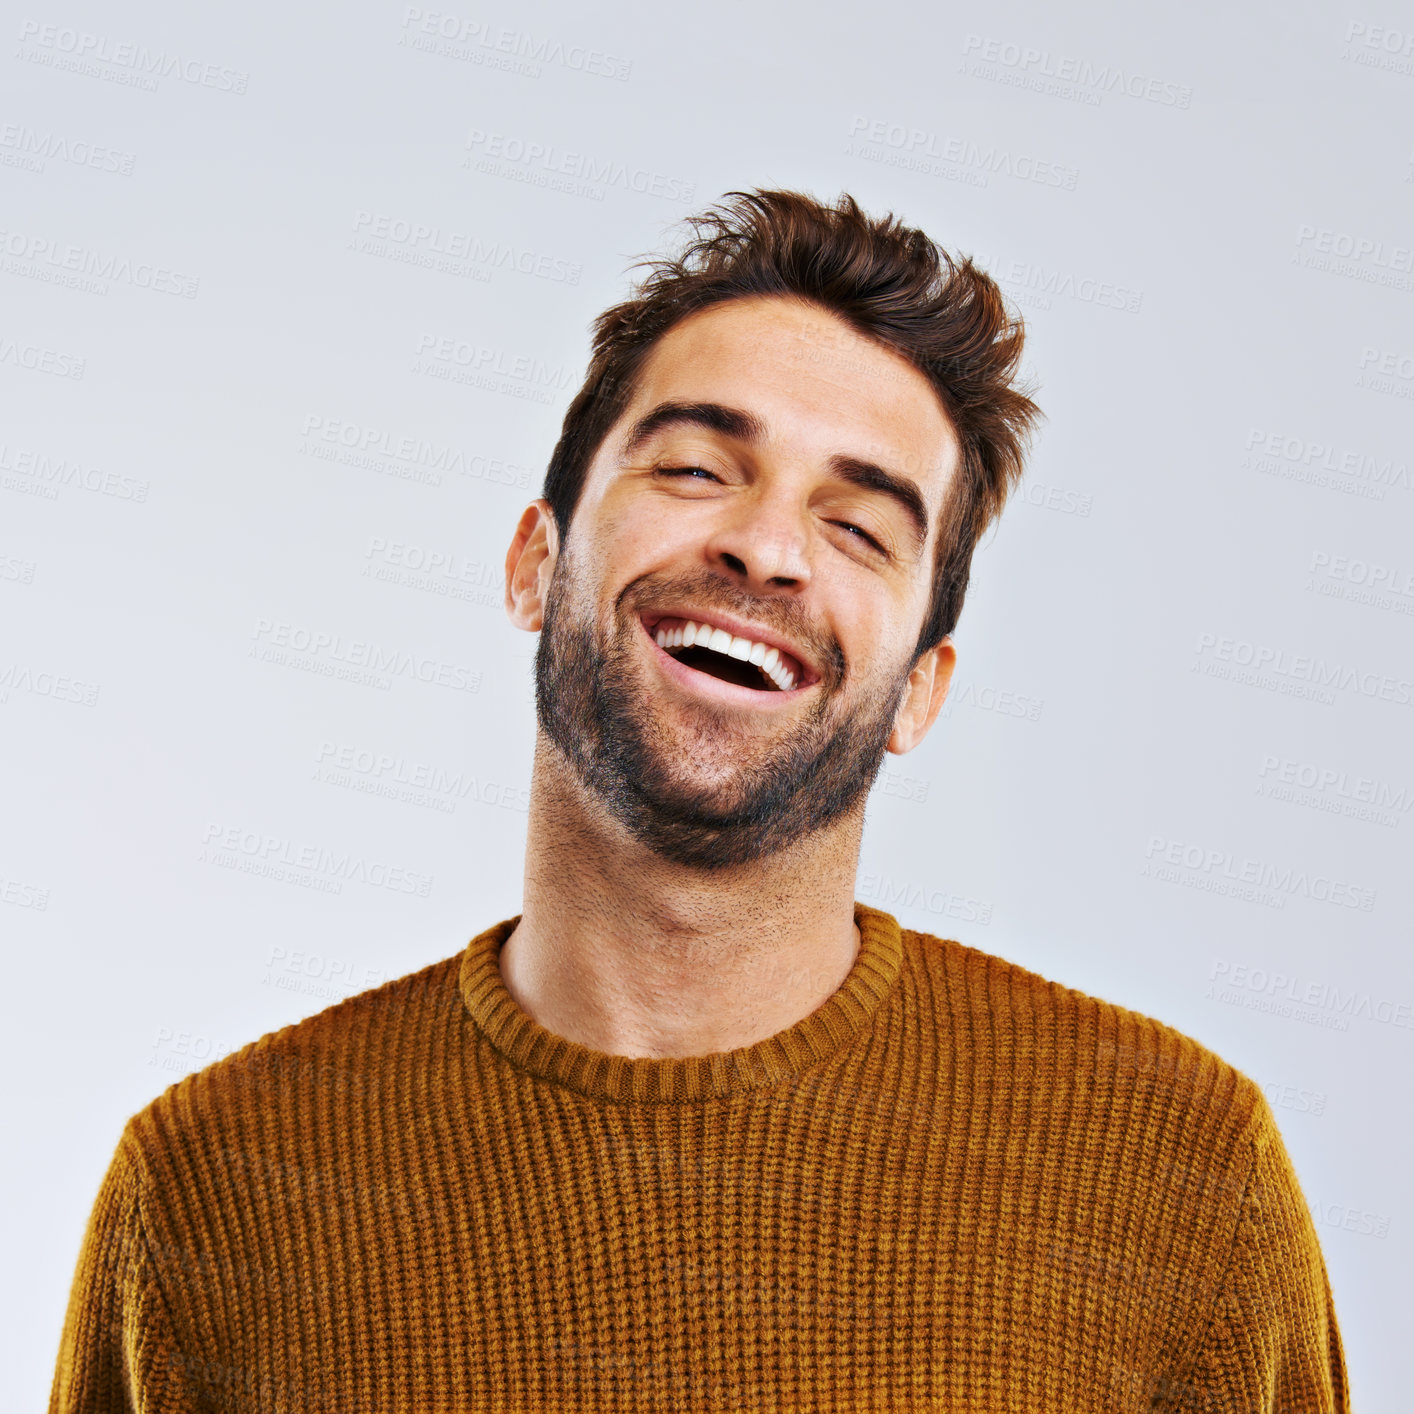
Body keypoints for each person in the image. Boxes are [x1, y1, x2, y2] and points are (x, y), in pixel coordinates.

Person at [50, 189, 1348, 1412]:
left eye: (858, 527)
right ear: (533, 560)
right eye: (692, 468)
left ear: (919, 691)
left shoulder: (1181, 1170)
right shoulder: (209, 1189)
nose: (766, 546)